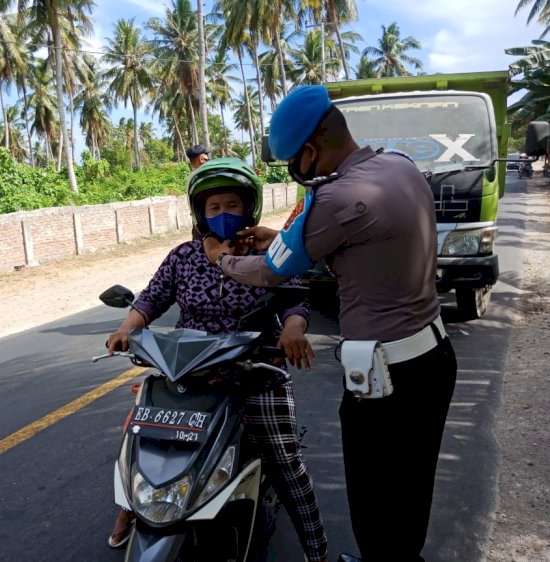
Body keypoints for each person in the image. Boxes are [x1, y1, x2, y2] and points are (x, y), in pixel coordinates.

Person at [203, 86, 458, 562]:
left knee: (374, 497)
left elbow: (272, 271)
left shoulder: (336, 197)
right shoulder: (398, 166)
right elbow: (357, 239)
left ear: (310, 151)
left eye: (293, 164)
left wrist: (222, 261)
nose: (297, 173)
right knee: (412, 486)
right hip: (433, 357)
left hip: (387, 383)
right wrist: (277, 237)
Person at [106, 157, 329, 562]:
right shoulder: (184, 256)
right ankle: (131, 507)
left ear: (248, 208)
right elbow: (153, 297)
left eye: (231, 205)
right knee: (145, 439)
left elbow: (295, 293)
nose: (223, 214)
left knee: (285, 461)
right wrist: (127, 327)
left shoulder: (268, 251)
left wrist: (293, 327)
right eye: (213, 207)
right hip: (189, 371)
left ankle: (317, 550)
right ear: (200, 213)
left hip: (255, 370)